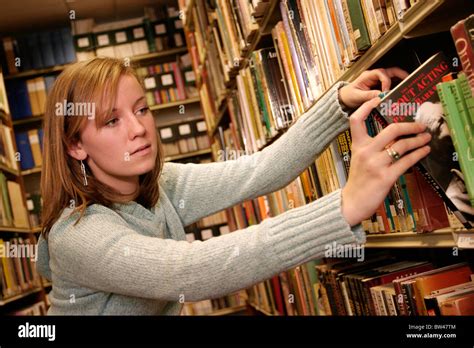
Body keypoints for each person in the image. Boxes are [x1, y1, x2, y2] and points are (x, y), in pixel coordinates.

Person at [36, 58, 432, 315]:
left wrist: (340, 104)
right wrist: (344, 206)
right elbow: (191, 273)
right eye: (111, 121)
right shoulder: (76, 235)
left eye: (141, 109)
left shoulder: (159, 183)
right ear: (74, 145)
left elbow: (260, 170)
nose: (139, 129)